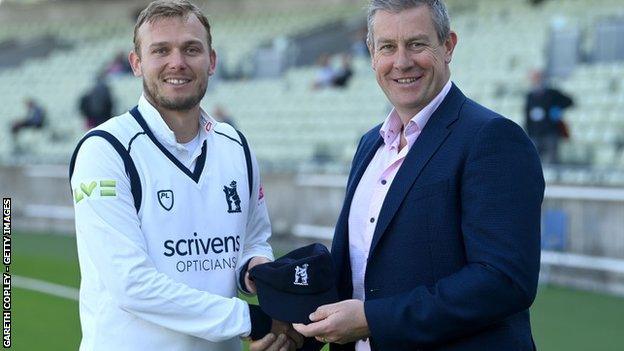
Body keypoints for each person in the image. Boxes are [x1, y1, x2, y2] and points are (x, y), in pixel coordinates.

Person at [294, 1, 544, 350]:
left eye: (416, 44)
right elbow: (353, 270)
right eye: (387, 47)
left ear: (448, 45)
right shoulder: (370, 144)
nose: (402, 62)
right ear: (371, 54)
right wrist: (293, 332)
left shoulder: (492, 138)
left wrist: (372, 319)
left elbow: (503, 280)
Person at [69, 1, 302, 350]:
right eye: (160, 50)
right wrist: (252, 320)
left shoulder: (235, 144)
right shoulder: (104, 150)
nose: (177, 62)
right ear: (136, 63)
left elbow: (253, 239)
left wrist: (256, 270)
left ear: (212, 61)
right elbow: (132, 284)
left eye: (191, 49)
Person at [524, 69, 574, 164]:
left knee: (552, 161)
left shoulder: (552, 93)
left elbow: (569, 101)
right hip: (535, 133)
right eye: (534, 78)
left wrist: (557, 109)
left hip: (550, 133)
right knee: (535, 162)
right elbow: (527, 115)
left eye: (537, 77)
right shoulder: (530, 96)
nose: (536, 80)